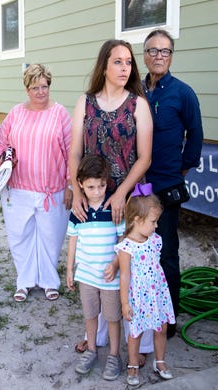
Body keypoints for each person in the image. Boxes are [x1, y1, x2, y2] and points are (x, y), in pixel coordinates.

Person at [69, 39, 153, 357]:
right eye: (117, 61)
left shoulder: (138, 105)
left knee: (130, 271)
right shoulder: (85, 103)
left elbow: (144, 157)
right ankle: (97, 337)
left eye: (129, 62)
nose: (124, 68)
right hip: (92, 199)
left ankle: (138, 344)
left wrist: (120, 193)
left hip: (129, 198)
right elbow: (75, 152)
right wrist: (77, 192)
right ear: (104, 65)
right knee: (98, 266)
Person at [0, 64, 72, 302]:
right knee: (20, 237)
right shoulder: (16, 113)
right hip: (18, 188)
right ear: (27, 89)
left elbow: (71, 152)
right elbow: (0, 142)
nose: (41, 92)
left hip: (51, 190)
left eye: (44, 86)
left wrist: (70, 185)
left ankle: (48, 281)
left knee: (50, 237)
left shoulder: (60, 114)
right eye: (35, 87)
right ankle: (24, 282)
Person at [142, 28, 203, 338]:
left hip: (166, 185)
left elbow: (195, 135)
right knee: (140, 251)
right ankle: (142, 311)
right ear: (145, 55)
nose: (159, 56)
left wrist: (182, 170)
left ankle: (168, 319)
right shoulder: (135, 91)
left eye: (165, 51)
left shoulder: (183, 93)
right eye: (153, 50)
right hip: (138, 186)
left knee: (165, 253)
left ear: (171, 56)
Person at [66, 154, 124, 380]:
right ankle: (91, 350)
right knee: (90, 314)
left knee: (112, 317)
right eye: (91, 187)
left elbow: (122, 238)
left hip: (110, 276)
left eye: (101, 186)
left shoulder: (113, 206)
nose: (97, 191)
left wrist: (116, 262)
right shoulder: (79, 210)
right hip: (87, 274)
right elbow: (73, 239)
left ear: (106, 182)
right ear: (80, 184)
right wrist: (70, 269)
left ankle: (113, 355)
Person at [117, 183, 175, 386]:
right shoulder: (126, 247)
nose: (156, 226)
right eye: (153, 221)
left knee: (161, 328)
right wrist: (125, 303)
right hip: (139, 297)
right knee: (136, 332)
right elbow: (124, 276)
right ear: (136, 220)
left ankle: (160, 362)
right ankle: (133, 364)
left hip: (157, 293)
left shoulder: (155, 240)